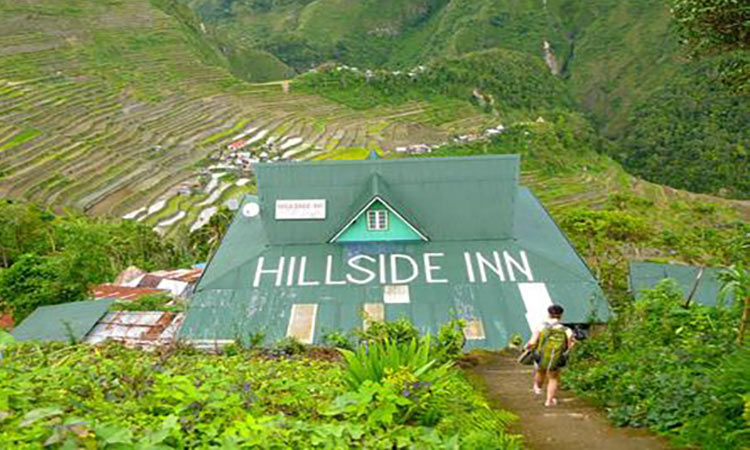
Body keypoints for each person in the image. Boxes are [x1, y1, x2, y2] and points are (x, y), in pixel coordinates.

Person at [525, 304, 575, 406]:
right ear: (561, 315)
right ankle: (549, 401)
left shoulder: (541, 326)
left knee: (540, 371)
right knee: (553, 378)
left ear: (549, 314)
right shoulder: (566, 330)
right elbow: (570, 346)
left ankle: (537, 388)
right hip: (556, 357)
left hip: (541, 355)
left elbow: (532, 342)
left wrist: (527, 347)